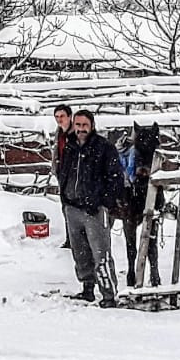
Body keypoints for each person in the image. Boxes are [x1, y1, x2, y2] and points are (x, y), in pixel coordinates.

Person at [56, 109, 127, 305]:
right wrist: (64, 195)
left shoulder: (104, 148)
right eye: (77, 125)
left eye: (84, 125)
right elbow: (64, 171)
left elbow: (116, 178)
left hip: (95, 210)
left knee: (100, 253)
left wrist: (104, 201)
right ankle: (87, 288)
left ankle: (108, 295)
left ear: (92, 126)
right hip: (72, 207)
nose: (80, 129)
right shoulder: (70, 146)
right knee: (80, 253)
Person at [53, 104, 73, 248]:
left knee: (74, 208)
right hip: (62, 173)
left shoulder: (75, 134)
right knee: (65, 206)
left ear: (69, 117)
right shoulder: (59, 132)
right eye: (57, 117)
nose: (59, 120)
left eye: (62, 116)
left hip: (73, 174)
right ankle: (69, 238)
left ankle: (76, 238)